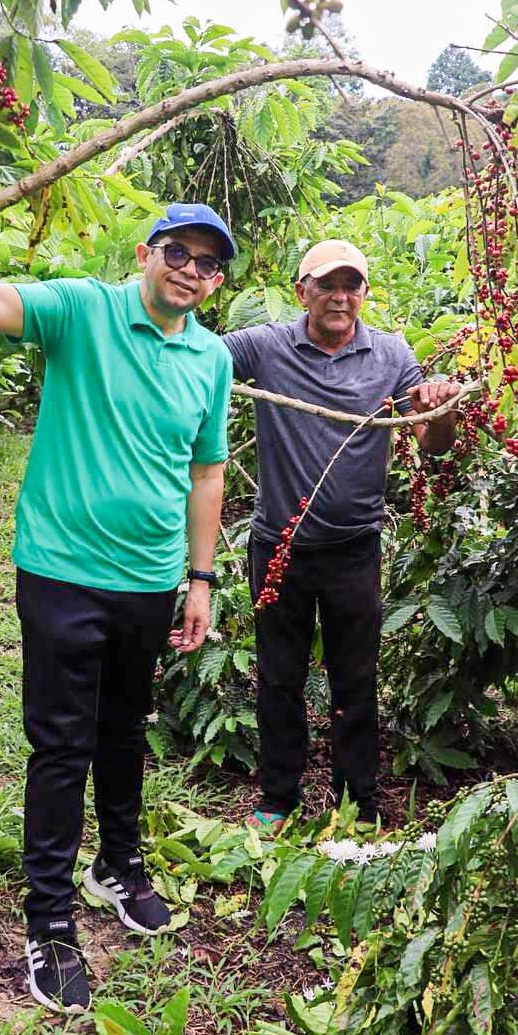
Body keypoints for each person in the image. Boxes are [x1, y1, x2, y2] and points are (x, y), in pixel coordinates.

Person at [0, 201, 235, 1014]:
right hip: (63, 570)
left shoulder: (210, 359)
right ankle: (48, 923)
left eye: (210, 264)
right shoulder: (83, 308)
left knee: (122, 728)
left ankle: (117, 867)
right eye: (179, 252)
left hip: (148, 579)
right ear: (147, 250)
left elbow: (206, 472)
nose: (192, 271)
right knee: (63, 743)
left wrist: (198, 578)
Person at [221, 239, 459, 832]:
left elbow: (435, 445)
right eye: (327, 284)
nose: (340, 296)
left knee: (356, 677)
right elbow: (192, 363)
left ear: (364, 295)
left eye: (352, 286)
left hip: (355, 547)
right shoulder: (265, 347)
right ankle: (278, 798)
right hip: (279, 545)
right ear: (303, 291)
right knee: (279, 675)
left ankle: (360, 802)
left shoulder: (391, 354)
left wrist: (440, 405)